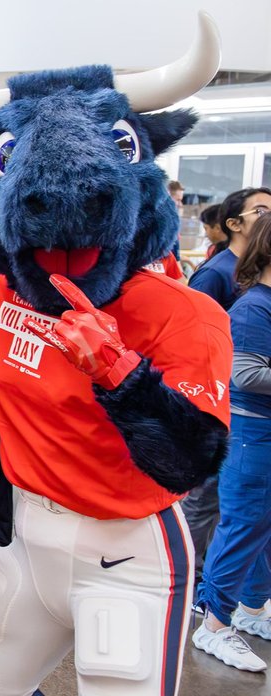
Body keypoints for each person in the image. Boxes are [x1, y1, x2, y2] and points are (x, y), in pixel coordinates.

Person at [181, 187, 271, 591]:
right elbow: (191, 339)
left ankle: (220, 586)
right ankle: (187, 578)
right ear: (235, 223)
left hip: (235, 407)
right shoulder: (218, 274)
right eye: (262, 210)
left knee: (231, 508)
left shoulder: (248, 278)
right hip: (216, 404)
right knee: (205, 501)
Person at [193, 212, 271, 671]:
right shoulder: (253, 308)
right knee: (244, 523)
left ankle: (253, 607)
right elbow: (244, 373)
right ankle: (215, 624)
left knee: (262, 525)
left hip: (262, 432)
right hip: (251, 434)